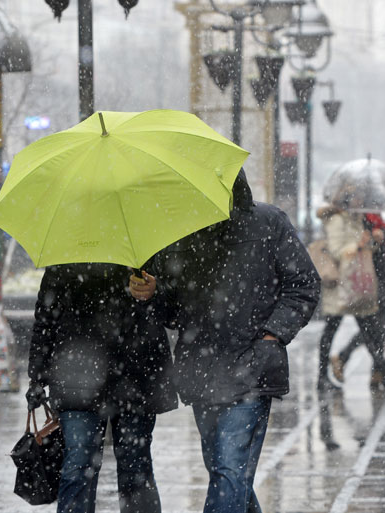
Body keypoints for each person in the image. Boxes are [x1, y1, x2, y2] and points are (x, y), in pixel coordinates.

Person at [129, 170, 320, 513]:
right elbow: (176, 312)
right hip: (201, 371)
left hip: (251, 367)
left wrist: (271, 336)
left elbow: (304, 285)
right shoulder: (183, 235)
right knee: (226, 472)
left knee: (230, 469)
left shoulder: (267, 222)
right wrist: (153, 294)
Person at [25, 263, 177, 513]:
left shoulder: (143, 249)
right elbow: (45, 320)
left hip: (134, 377)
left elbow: (175, 312)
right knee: (79, 465)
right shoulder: (67, 256)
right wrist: (37, 378)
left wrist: (155, 291)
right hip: (77, 379)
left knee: (134, 467)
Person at [316, 203, 385, 391]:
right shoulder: (337, 220)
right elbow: (335, 249)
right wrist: (357, 244)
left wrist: (373, 241)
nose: (360, 202)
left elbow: (365, 248)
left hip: (354, 283)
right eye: (356, 199)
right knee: (332, 328)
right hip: (340, 283)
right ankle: (322, 377)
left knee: (368, 329)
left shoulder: (355, 220)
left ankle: (382, 370)